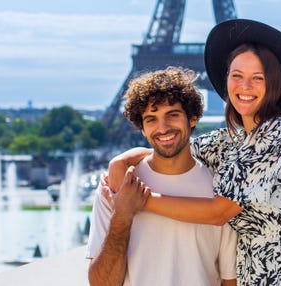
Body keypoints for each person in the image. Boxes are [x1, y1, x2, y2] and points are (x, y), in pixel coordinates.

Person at [109, 19, 281, 285]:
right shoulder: (235, 141)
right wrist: (120, 162)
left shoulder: (279, 131)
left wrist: (140, 200)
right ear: (227, 78)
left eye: (258, 78)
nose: (245, 86)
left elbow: (219, 212)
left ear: (274, 83)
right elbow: (174, 145)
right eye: (237, 76)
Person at [86, 67, 238, 286]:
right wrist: (122, 215)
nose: (163, 127)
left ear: (192, 118)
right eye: (151, 119)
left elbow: (228, 280)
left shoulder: (221, 190)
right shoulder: (115, 188)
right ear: (142, 129)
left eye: (172, 115)